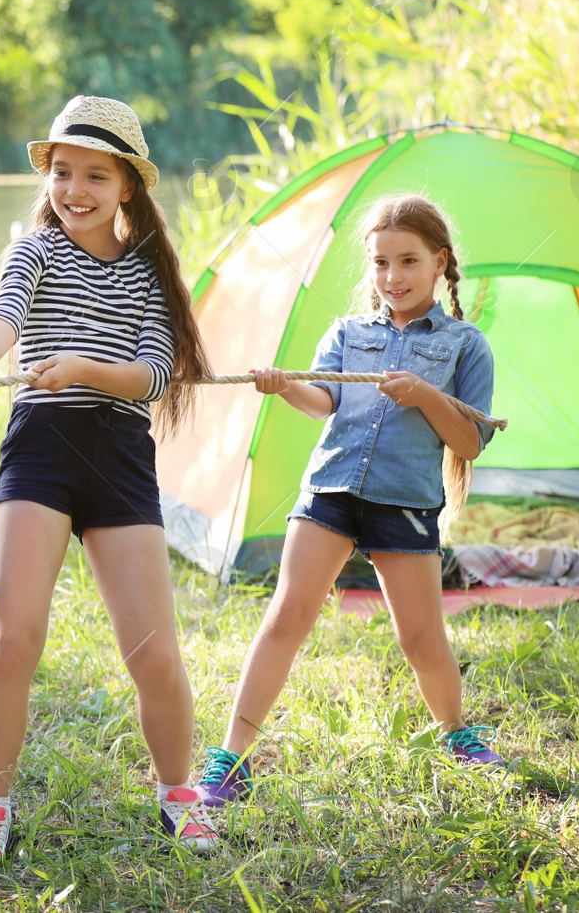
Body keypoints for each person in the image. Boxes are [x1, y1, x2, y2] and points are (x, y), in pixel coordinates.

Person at [0, 95, 219, 868]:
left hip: (119, 452)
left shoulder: (150, 274)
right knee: (14, 635)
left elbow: (155, 375)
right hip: (43, 449)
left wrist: (86, 369)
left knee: (154, 652)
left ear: (128, 185)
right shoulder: (34, 250)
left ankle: (177, 791)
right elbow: (1, 316)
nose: (76, 189)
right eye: (64, 172)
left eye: (96, 174)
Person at [195, 194, 503, 810]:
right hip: (331, 490)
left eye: (408, 261)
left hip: (406, 503)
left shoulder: (466, 346)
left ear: (441, 262)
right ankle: (232, 758)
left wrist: (426, 397)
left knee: (421, 637)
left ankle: (456, 732)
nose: (393, 278)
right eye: (381, 263)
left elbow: (468, 439)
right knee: (287, 616)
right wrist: (285, 389)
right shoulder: (347, 333)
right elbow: (324, 402)